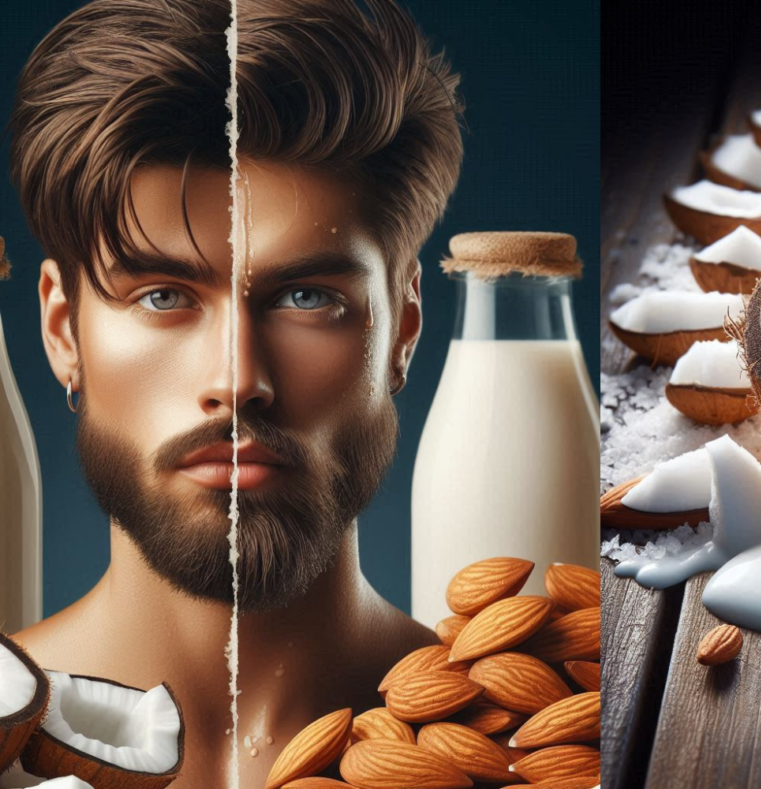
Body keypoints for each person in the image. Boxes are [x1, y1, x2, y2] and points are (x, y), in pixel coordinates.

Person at [7, 0, 463, 785]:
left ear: (403, 332)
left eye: (307, 298)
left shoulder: (529, 746)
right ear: (63, 333)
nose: (237, 381)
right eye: (161, 296)